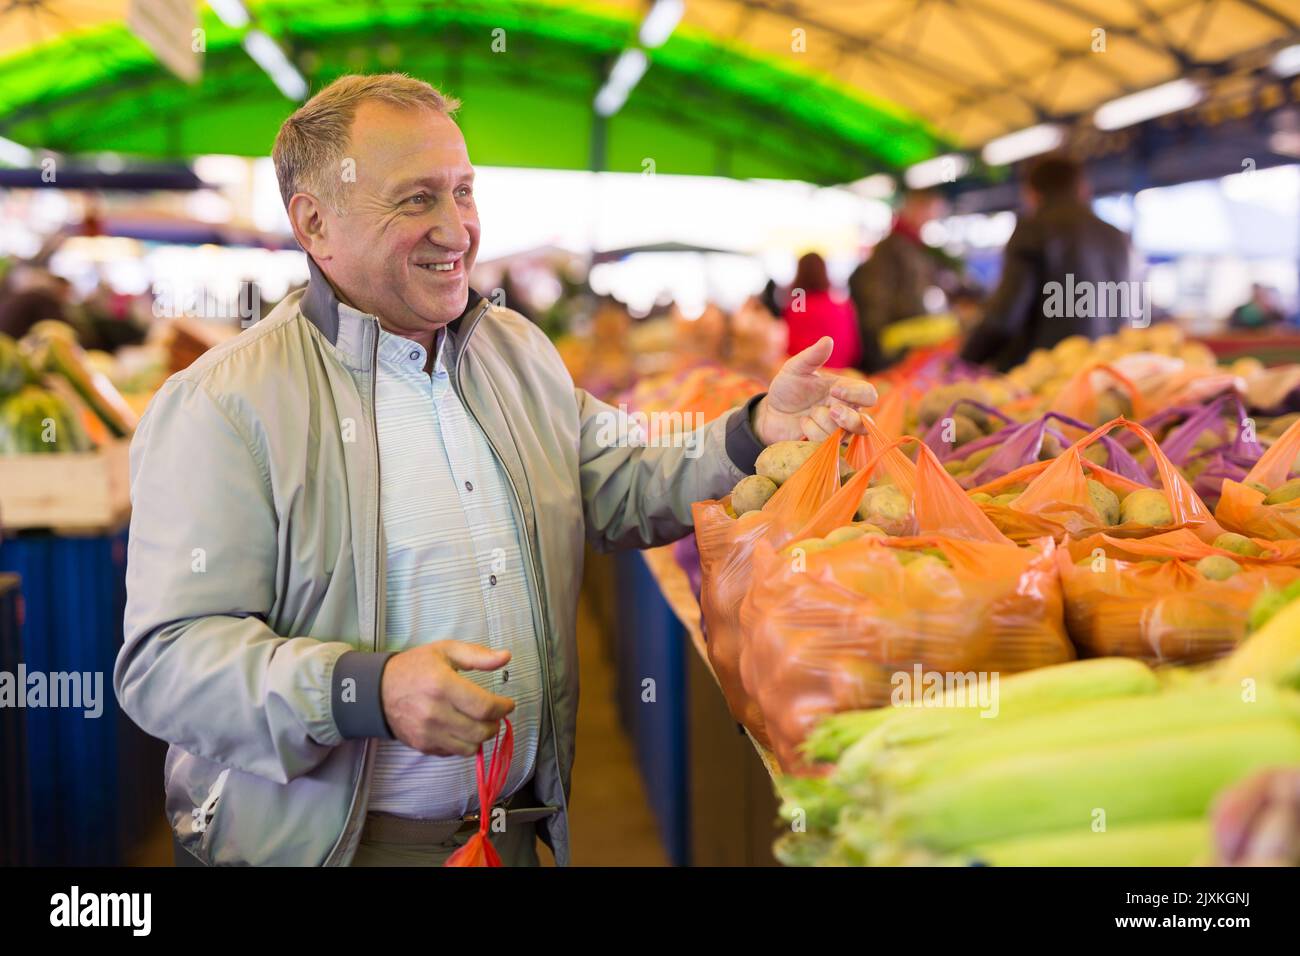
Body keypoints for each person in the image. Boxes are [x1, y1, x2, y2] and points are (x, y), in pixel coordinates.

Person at [114, 73, 877, 868]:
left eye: (464, 192)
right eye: (416, 200)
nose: (457, 229)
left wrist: (755, 432)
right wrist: (365, 690)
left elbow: (619, 479)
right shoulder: (224, 403)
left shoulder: (514, 353)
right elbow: (169, 662)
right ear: (315, 222)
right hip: (331, 851)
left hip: (510, 835)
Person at [960, 154, 1132, 371]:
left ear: (1031, 193)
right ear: (1082, 188)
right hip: (1104, 373)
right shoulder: (1116, 236)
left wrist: (964, 362)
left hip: (1045, 376)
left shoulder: (1033, 229)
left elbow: (1004, 316)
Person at [847, 188, 949, 372]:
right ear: (916, 207)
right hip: (894, 346)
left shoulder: (913, 246)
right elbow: (875, 298)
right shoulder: (891, 247)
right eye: (930, 212)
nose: (930, 219)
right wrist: (879, 347)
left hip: (907, 340)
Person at [783, 252, 861, 370]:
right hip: (841, 374)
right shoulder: (842, 306)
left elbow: (790, 349)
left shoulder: (795, 308)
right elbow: (854, 350)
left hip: (805, 377)